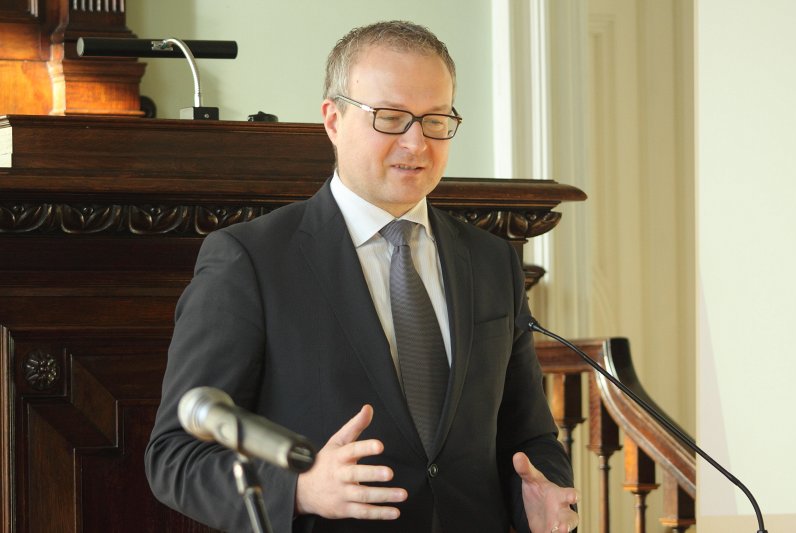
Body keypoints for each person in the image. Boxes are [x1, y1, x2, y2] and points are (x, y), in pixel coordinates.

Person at [145, 20, 579, 533]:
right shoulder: (251, 261)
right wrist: (300, 490)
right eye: (391, 118)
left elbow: (530, 437)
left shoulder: (491, 261)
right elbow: (173, 456)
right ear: (333, 120)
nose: (417, 144)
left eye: (436, 120)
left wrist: (543, 492)